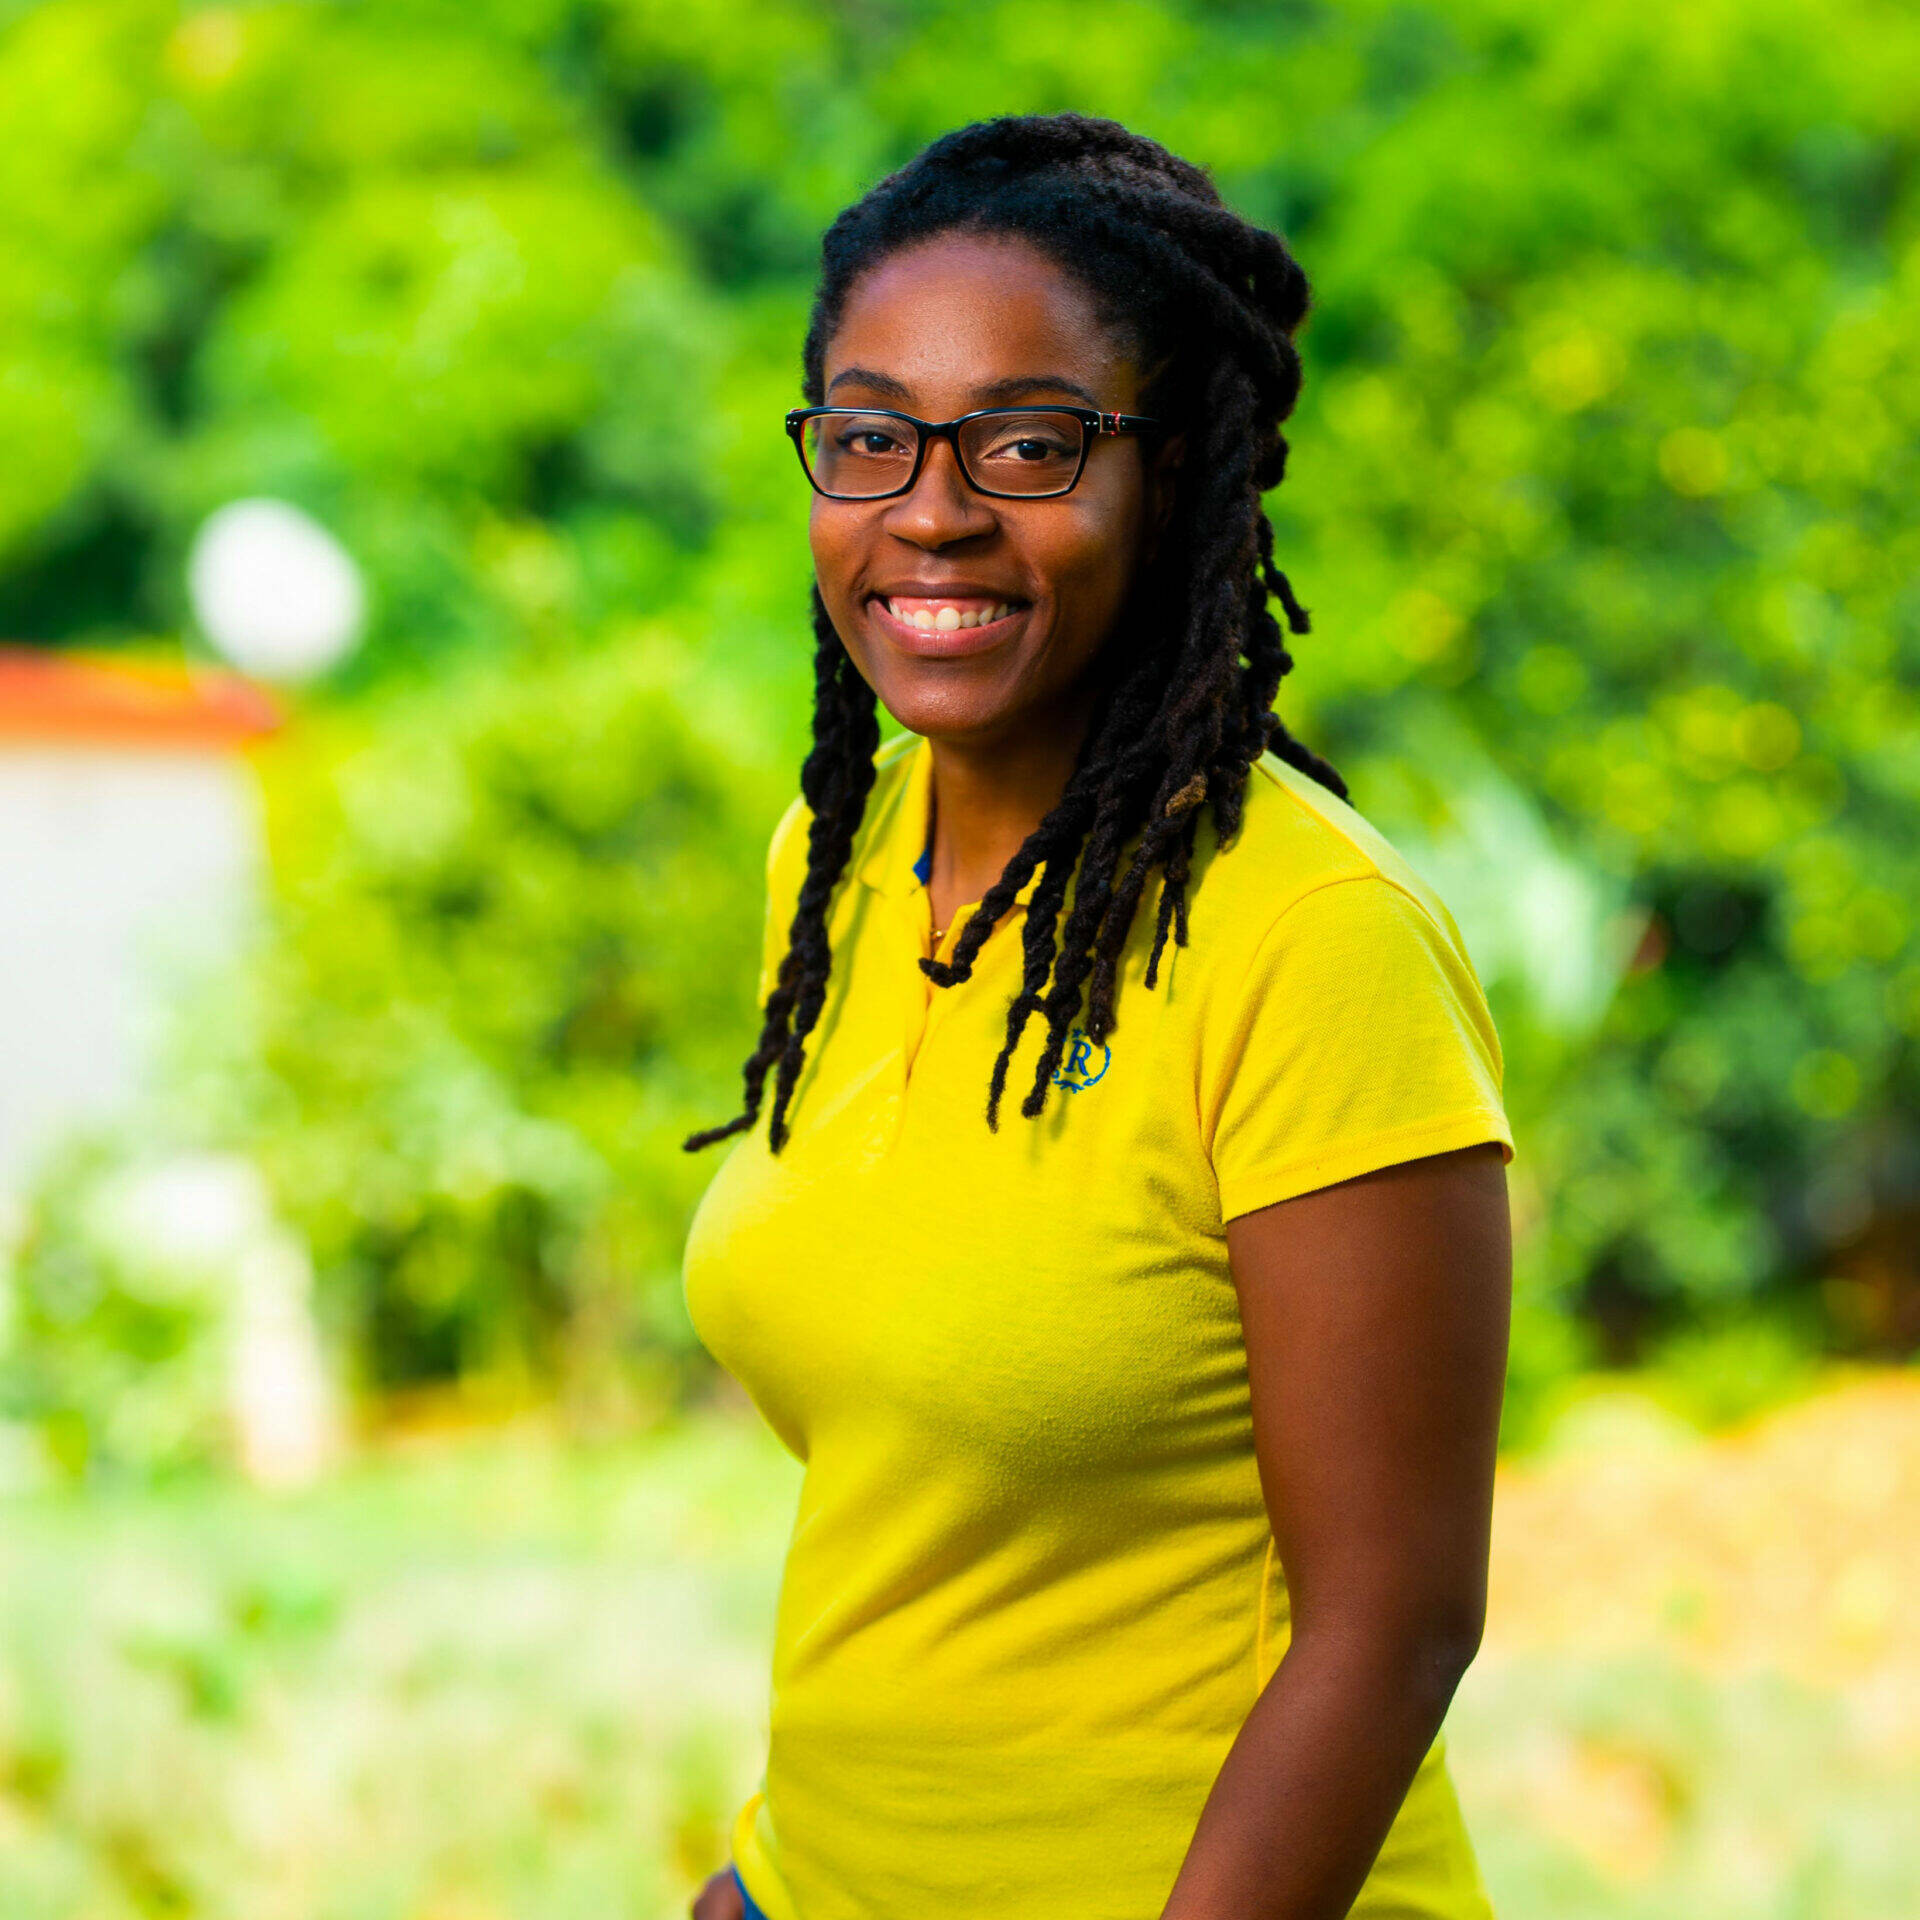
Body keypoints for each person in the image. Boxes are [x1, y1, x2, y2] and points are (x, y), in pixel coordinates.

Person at [680, 112, 1514, 1920]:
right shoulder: (834, 861)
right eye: (871, 436)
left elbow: (1393, 1626)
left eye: (1030, 442)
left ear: (1174, 467)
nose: (933, 511)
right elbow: (920, 1522)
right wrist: (770, 1877)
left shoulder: (1313, 939)